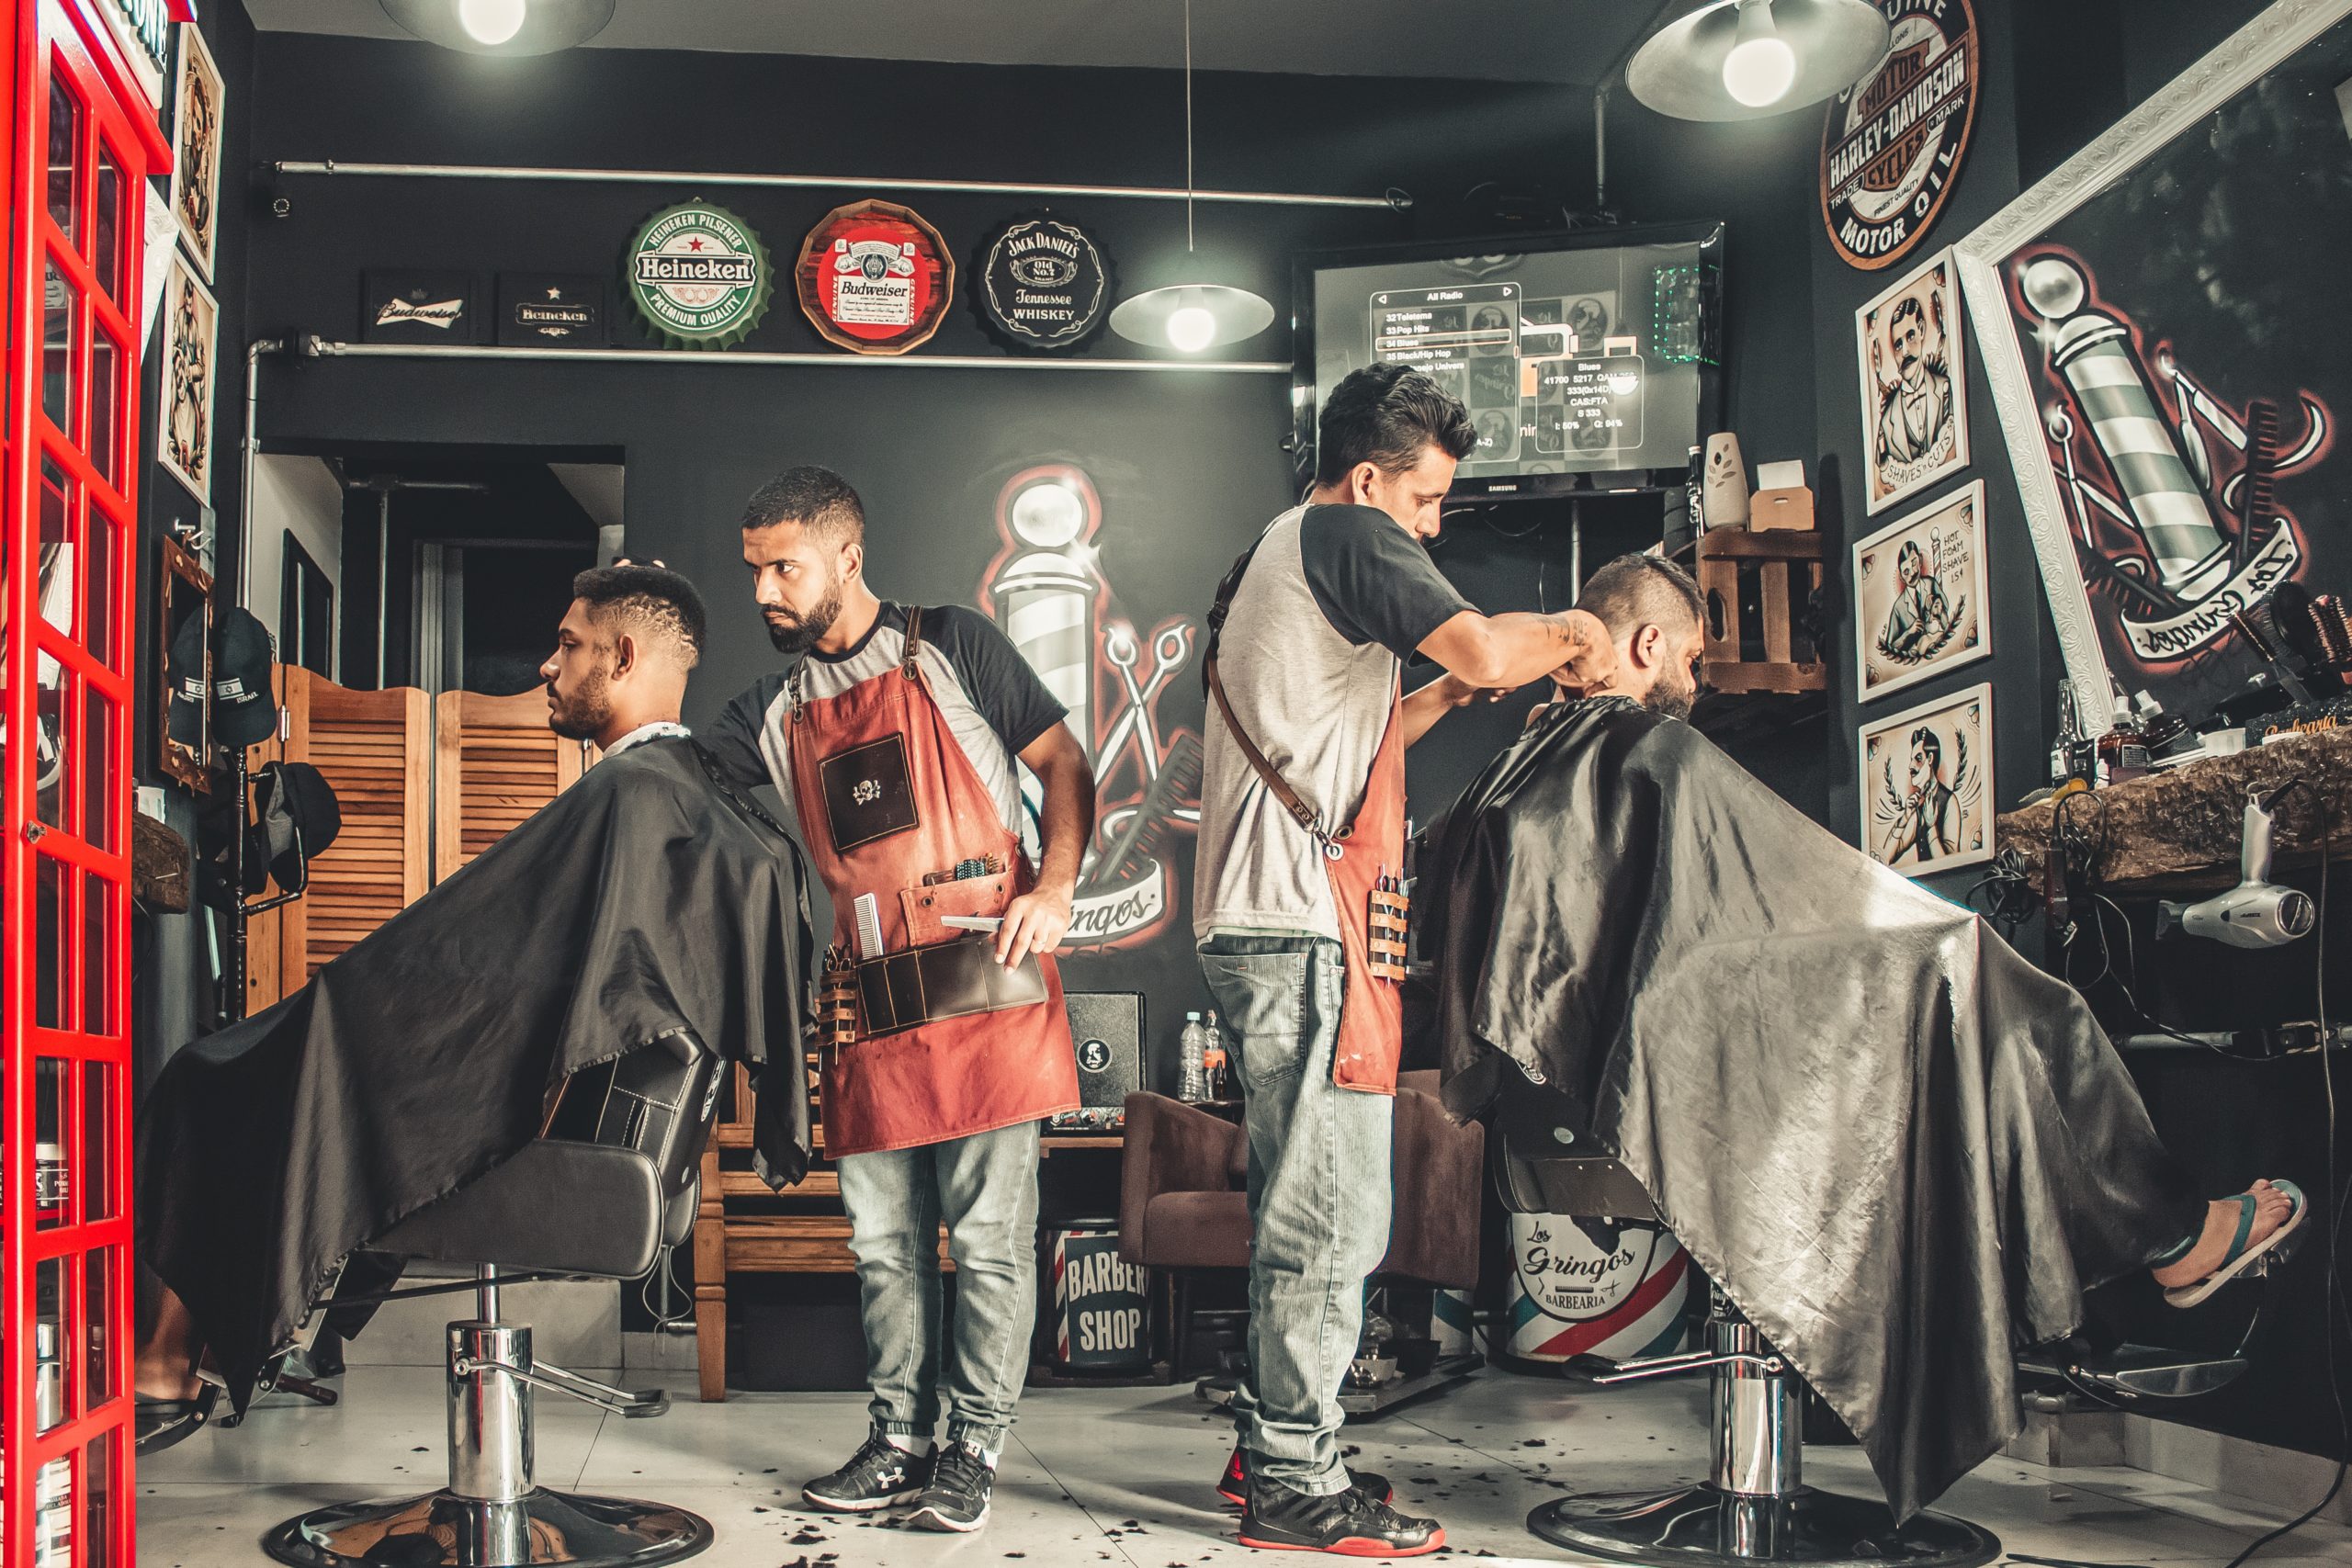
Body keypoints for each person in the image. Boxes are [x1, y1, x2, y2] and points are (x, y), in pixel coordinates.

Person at [1428, 552, 2304, 1523]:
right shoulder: (1653, 753)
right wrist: (1934, 947)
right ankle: (2174, 1236)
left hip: (1584, 1104)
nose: (1696, 680)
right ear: (1643, 645)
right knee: (2006, 997)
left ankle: (2114, 1272)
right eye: (1688, 656)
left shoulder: (1521, 771)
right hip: (1708, 1087)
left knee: (1973, 1017)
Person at [136, 565, 815, 1451]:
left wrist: (356, 999)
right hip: (623, 1142)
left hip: (550, 1143)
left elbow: (475, 961)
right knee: (293, 1074)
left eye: (568, 645)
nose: (546, 665)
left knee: (213, 1076)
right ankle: (256, 1341)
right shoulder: (689, 797)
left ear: (621, 654)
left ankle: (164, 1367)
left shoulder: (632, 795)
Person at [1193, 363, 1613, 1557]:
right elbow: (1484, 647)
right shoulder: (1344, 530)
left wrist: (1462, 690)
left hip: (1269, 920)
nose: (1433, 524)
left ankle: (1271, 1438)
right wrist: (1573, 632)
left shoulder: (1281, 557)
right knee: (1331, 1217)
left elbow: (1383, 720)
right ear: (1372, 478)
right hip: (1300, 926)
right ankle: (1292, 1480)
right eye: (1428, 500)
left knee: (1308, 1202)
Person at [705, 467, 1095, 1535]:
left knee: (991, 1244)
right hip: (868, 1012)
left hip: (987, 997)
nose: (763, 592)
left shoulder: (952, 647)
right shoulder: (768, 713)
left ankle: (971, 1448)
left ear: (847, 557)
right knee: (882, 1247)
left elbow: (1063, 761)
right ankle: (899, 1440)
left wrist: (1055, 888)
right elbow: (685, 789)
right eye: (753, 571)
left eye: (783, 566)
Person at [1874, 292, 1956, 468]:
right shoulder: (1887, 421)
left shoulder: (1945, 389)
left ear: (1921, 329)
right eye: (1898, 345)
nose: (1904, 352)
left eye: (1910, 336)